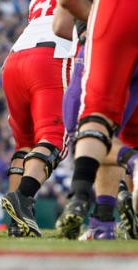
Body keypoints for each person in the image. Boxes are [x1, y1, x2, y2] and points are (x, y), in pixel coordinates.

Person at [54, 0, 138, 240]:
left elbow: (63, 14)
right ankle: (103, 220)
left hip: (114, 24)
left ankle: (81, 200)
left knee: (93, 124)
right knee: (125, 135)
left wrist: (97, 22)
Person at [0, 0, 72, 237]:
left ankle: (15, 222)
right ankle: (23, 197)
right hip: (54, 52)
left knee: (24, 146)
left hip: (15, 59)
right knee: (54, 138)